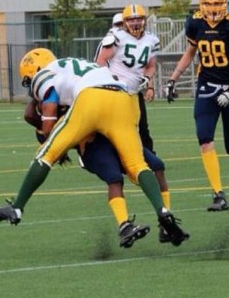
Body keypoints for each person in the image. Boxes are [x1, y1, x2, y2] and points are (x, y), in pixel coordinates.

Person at [0, 50, 189, 247]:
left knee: (46, 154)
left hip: (92, 100)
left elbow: (48, 116)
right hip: (125, 99)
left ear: (36, 70)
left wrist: (47, 134)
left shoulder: (45, 75)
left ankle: (17, 208)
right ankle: (163, 212)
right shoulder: (80, 66)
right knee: (137, 165)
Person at [24, 93, 174, 247]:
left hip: (118, 134)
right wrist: (37, 95)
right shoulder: (52, 112)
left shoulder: (76, 88)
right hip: (93, 146)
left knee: (157, 166)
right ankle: (124, 225)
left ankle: (166, 222)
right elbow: (30, 116)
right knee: (114, 177)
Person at [166, 0, 229, 212]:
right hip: (206, 87)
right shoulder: (195, 23)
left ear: (225, 4)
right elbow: (189, 53)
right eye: (208, 4)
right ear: (201, 4)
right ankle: (218, 194)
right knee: (204, 138)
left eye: (217, 4)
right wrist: (173, 78)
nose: (213, 9)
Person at [95, 4, 158, 152]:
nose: (135, 23)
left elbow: (151, 66)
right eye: (131, 20)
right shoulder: (117, 36)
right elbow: (101, 60)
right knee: (115, 128)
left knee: (143, 128)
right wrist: (110, 81)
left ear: (144, 20)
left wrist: (148, 81)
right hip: (116, 92)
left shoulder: (152, 40)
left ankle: (150, 158)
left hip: (135, 92)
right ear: (124, 22)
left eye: (138, 19)